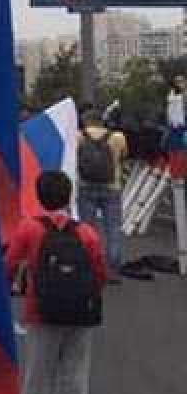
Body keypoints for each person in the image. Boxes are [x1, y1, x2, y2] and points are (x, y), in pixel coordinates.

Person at [5, 170, 107, 394]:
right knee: (74, 374)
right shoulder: (87, 234)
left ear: (39, 196)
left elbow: (9, 263)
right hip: (80, 314)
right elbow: (99, 275)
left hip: (41, 311)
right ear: (69, 196)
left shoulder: (30, 228)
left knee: (38, 373)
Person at [76, 109, 126, 282]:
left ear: (86, 121)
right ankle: (113, 270)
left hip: (86, 186)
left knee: (87, 228)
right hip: (112, 187)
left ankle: (88, 266)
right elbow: (124, 156)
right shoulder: (117, 137)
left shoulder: (79, 137)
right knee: (113, 229)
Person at [167, 74, 185, 179]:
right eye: (178, 82)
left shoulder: (174, 95)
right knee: (177, 150)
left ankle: (178, 173)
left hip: (178, 126)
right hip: (177, 126)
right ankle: (177, 173)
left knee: (178, 150)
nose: (180, 84)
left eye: (181, 81)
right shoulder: (174, 95)